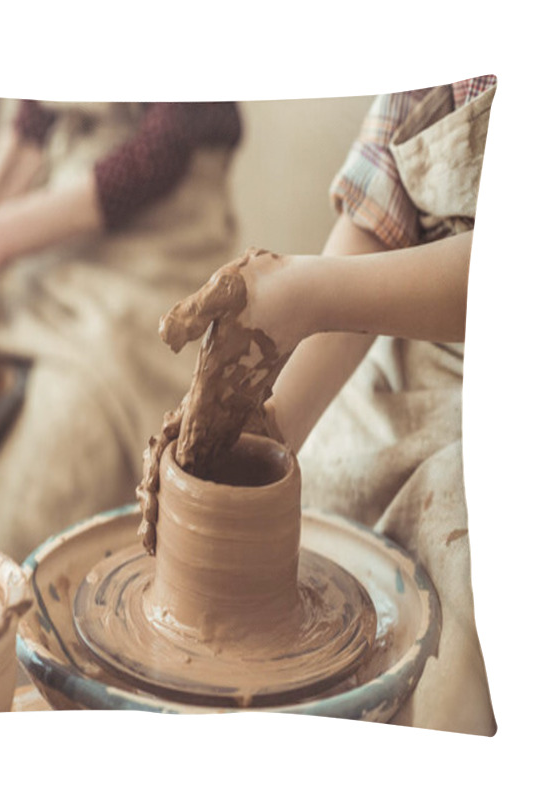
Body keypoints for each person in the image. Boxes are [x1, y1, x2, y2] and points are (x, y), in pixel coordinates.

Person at [139, 76, 497, 735]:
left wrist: (307, 292)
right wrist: (274, 424)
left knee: (471, 601)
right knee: (309, 503)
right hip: (412, 337)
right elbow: (381, 219)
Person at [0, 99, 244, 562]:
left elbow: (158, 153)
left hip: (154, 255)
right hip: (56, 228)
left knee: (32, 486)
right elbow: (30, 129)